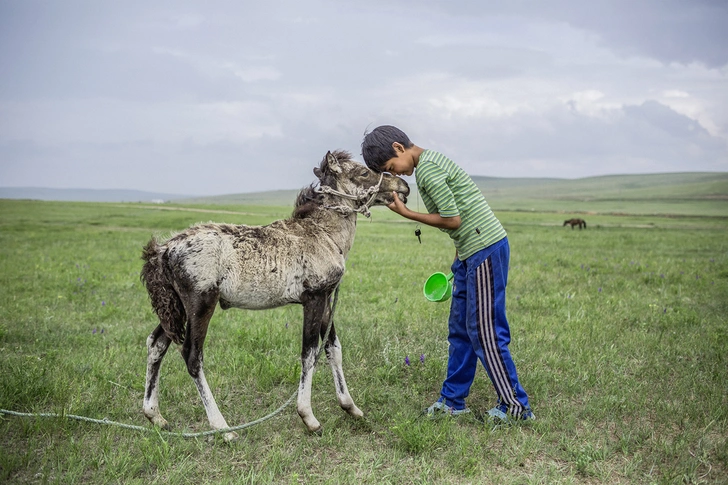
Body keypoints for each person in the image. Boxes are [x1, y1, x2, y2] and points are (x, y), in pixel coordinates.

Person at [361, 125, 534, 422]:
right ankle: (453, 401)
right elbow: (466, 212)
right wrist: (459, 260)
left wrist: (407, 214)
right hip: (470, 253)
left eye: (392, 168)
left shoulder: (428, 170)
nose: (397, 175)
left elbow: (453, 219)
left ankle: (516, 406)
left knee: (485, 331)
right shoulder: (432, 163)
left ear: (399, 148)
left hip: (485, 250)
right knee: (460, 330)